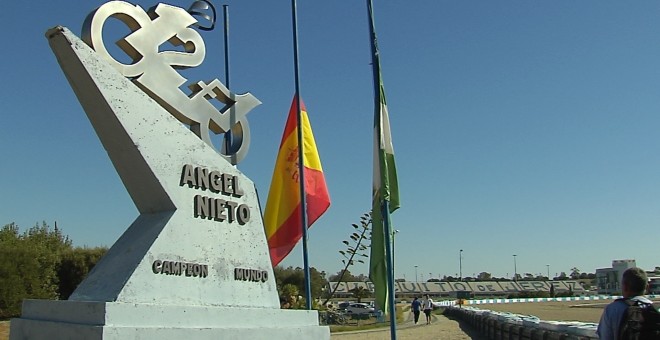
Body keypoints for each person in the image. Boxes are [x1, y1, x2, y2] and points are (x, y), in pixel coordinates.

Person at [596, 267, 653, 339]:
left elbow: (605, 337)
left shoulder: (612, 309)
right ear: (647, 287)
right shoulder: (655, 308)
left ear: (625, 287)